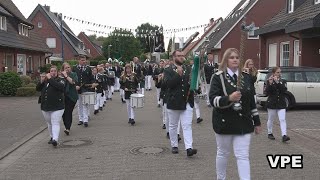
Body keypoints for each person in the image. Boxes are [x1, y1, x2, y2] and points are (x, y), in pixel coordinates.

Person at [209, 48, 262, 180]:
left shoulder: (247, 77)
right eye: (231, 57)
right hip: (224, 122)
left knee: (243, 155)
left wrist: (257, 122)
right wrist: (229, 98)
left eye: (237, 57)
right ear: (226, 60)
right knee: (223, 153)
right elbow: (213, 100)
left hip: (243, 122)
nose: (234, 60)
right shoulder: (218, 77)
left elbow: (251, 103)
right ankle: (220, 178)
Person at [164, 50, 197, 157]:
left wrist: (195, 87)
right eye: (179, 56)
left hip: (187, 101)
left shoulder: (188, 69)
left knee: (187, 125)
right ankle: (174, 145)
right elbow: (168, 85)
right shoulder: (168, 70)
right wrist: (178, 75)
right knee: (173, 125)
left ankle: (189, 148)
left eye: (183, 55)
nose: (182, 57)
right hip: (174, 101)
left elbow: (190, 82)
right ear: (174, 57)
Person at [36, 66, 65, 147]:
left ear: (57, 72)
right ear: (49, 72)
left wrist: (49, 79)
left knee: (55, 122)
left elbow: (60, 87)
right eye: (51, 71)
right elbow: (38, 89)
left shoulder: (60, 80)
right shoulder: (46, 81)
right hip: (45, 106)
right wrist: (41, 81)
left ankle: (55, 139)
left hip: (57, 106)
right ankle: (52, 137)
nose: (53, 72)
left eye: (55, 71)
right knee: (49, 122)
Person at [265, 67, 290, 142]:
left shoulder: (283, 81)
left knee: (282, 119)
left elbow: (284, 90)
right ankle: (270, 133)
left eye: (280, 72)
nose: (279, 74)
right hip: (272, 103)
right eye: (277, 72)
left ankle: (284, 135)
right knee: (271, 119)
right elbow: (267, 92)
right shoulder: (269, 81)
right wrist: (270, 83)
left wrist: (277, 82)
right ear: (273, 73)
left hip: (281, 103)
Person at [72, 55, 94, 127]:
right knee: (79, 104)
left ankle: (85, 120)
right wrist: (75, 86)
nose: (84, 61)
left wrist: (93, 83)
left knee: (85, 104)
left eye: (84, 60)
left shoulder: (88, 68)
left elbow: (91, 78)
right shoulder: (75, 68)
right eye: (82, 60)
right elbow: (72, 78)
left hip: (86, 89)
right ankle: (80, 119)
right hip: (78, 89)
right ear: (79, 60)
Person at [61, 63, 78, 136]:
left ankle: (68, 128)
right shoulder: (61, 76)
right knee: (63, 113)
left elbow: (72, 82)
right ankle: (66, 126)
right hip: (63, 96)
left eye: (69, 67)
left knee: (68, 111)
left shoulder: (73, 74)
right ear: (63, 69)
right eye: (66, 68)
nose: (68, 69)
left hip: (71, 96)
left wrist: (66, 76)